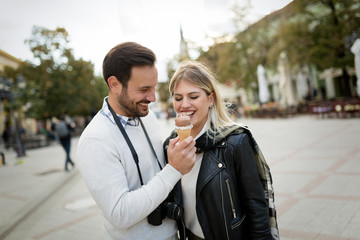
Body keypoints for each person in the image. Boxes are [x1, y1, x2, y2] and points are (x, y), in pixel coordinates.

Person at [76, 42, 197, 240]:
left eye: (155, 87)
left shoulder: (145, 116)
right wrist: (174, 169)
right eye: (144, 89)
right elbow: (120, 214)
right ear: (114, 84)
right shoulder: (95, 140)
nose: (153, 97)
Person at [164, 61, 278, 240]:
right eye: (178, 98)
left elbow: (256, 207)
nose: (184, 104)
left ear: (210, 99)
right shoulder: (170, 146)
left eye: (193, 96)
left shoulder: (236, 142)